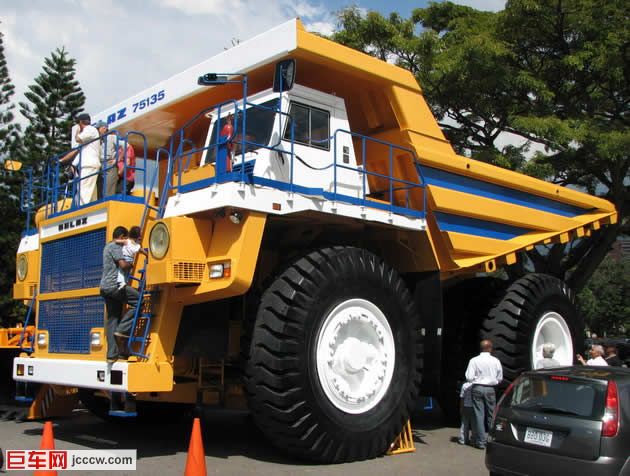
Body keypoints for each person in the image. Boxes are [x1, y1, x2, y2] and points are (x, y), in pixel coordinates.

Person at [99, 226, 139, 363]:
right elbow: (123, 265)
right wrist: (131, 264)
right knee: (139, 302)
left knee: (112, 318)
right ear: (121, 237)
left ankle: (112, 355)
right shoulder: (116, 246)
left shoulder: (107, 247)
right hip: (115, 286)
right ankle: (122, 330)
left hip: (104, 288)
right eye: (125, 238)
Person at [465, 339, 503, 450]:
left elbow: (469, 377)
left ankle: (481, 441)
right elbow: (499, 378)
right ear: (490, 348)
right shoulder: (495, 361)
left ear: (481, 348)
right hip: (490, 388)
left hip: (477, 387)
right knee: (491, 415)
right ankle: (492, 439)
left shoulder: (474, 360)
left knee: (479, 415)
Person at [74, 114, 101, 205]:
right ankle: (91, 207)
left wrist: (77, 131)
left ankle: (81, 211)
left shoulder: (89, 129)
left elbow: (78, 139)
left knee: (84, 188)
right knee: (91, 190)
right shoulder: (91, 131)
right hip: (90, 164)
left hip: (89, 164)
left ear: (81, 122)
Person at [95, 120, 118, 198]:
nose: (97, 131)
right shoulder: (97, 140)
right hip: (99, 165)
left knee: (109, 190)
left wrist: (116, 159)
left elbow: (126, 146)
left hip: (109, 164)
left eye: (98, 128)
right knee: (99, 189)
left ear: (104, 128)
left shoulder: (112, 137)